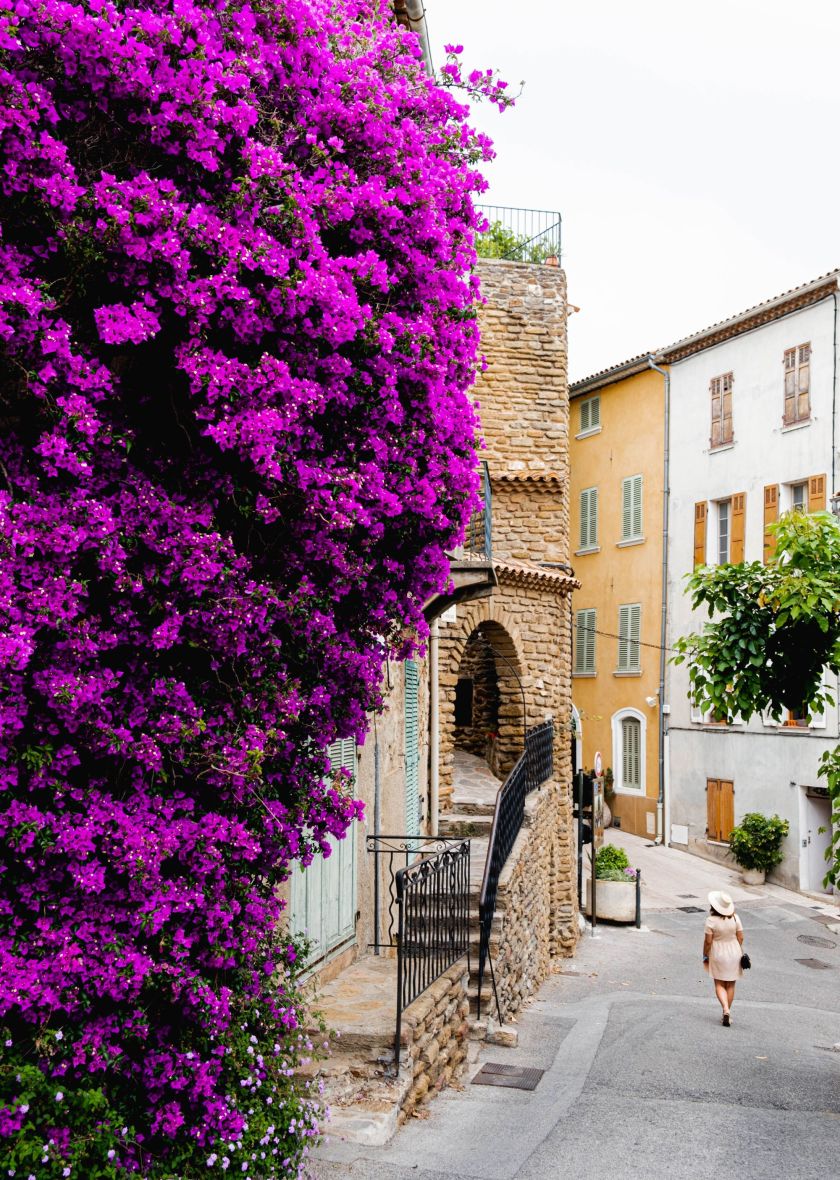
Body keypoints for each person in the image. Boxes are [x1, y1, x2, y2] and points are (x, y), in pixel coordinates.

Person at [702, 890, 744, 1026]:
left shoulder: (710, 921)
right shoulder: (736, 918)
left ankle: (725, 1009)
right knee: (730, 984)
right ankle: (726, 1012)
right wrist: (736, 948)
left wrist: (705, 955)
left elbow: (708, 941)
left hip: (718, 953)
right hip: (734, 953)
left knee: (719, 983)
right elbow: (741, 937)